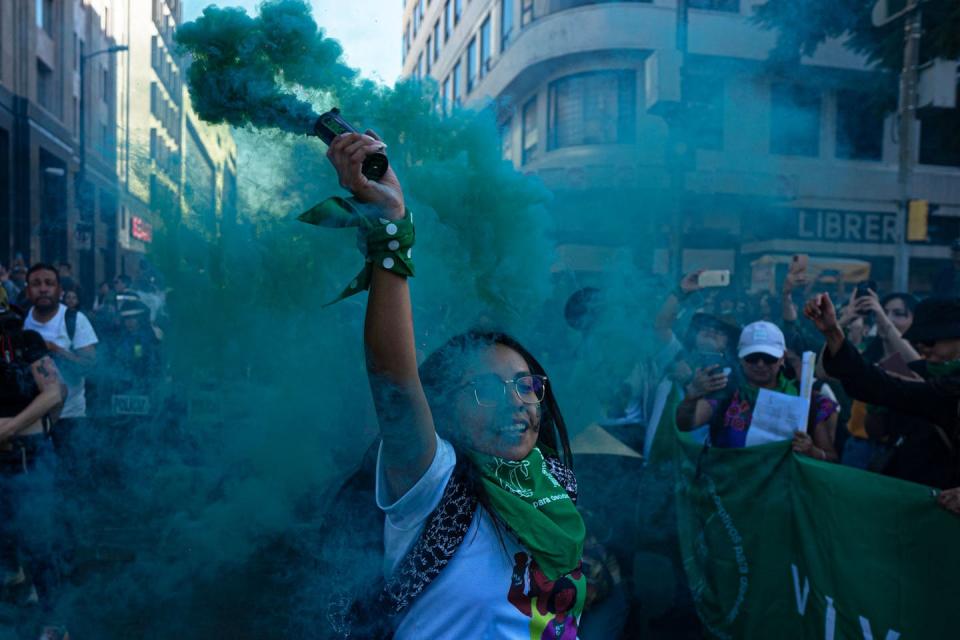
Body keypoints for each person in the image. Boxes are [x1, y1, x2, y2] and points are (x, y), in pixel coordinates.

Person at [322, 130, 588, 638]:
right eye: (486, 390)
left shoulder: (553, 486)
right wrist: (392, 231)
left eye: (525, 385)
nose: (516, 404)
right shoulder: (435, 485)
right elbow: (394, 380)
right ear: (445, 407)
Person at [805, 294, 960, 512]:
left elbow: (897, 388)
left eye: (930, 341)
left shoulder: (949, 385)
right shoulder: (918, 370)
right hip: (909, 495)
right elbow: (880, 406)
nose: (923, 348)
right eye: (918, 342)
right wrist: (833, 331)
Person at [676, 320, 839, 461]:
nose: (760, 364)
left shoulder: (804, 399)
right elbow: (685, 424)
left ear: (782, 358)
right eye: (752, 358)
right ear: (740, 358)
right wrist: (692, 396)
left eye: (769, 358)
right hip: (732, 493)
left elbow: (832, 459)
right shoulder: (726, 394)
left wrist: (812, 451)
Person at [0, 303, 66, 633]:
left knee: (38, 540)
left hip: (25, 457)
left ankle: (55, 625)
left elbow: (55, 392)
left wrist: (13, 429)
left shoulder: (24, 341)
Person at [22, 264, 98, 475]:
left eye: (49, 283)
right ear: (28, 291)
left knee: (71, 482)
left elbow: (89, 366)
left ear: (59, 290)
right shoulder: (19, 321)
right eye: (36, 284)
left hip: (69, 419)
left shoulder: (73, 320)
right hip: (30, 422)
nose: (43, 289)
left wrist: (55, 350)